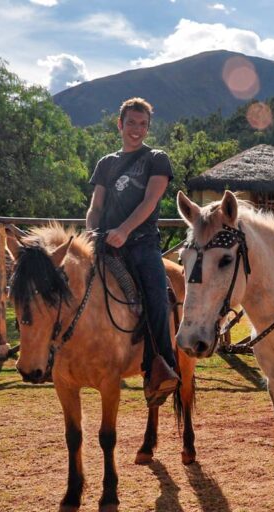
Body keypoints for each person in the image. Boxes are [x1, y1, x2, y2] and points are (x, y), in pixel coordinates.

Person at [86, 97, 179, 407]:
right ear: (120, 124)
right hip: (103, 245)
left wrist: (124, 231)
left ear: (147, 127)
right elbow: (95, 207)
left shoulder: (156, 159)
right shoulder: (105, 163)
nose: (136, 129)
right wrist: (91, 233)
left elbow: (149, 202)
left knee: (156, 295)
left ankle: (161, 367)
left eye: (142, 124)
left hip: (140, 244)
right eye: (131, 123)